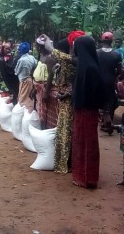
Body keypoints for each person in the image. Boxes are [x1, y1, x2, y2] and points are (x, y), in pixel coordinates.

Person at [46, 34, 105, 188]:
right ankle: (85, 176)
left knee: (85, 144)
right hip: (85, 110)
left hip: (85, 110)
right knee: (84, 142)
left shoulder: (88, 69)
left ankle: (86, 178)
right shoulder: (88, 66)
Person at [50, 37, 76, 174]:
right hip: (64, 102)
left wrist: (64, 94)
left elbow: (72, 84)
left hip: (68, 103)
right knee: (63, 131)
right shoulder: (62, 65)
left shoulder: (69, 64)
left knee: (67, 132)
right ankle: (65, 162)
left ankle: (66, 163)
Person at [97, 32, 121, 134]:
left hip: (98, 81)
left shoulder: (96, 52)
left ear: (102, 41)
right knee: (110, 101)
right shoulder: (116, 54)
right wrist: (113, 76)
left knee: (98, 101)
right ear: (112, 41)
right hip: (110, 81)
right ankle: (108, 123)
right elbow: (119, 70)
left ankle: (102, 122)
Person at [33, 36, 58, 129]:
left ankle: (47, 131)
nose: (36, 48)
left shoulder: (50, 58)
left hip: (47, 89)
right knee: (41, 112)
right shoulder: (41, 56)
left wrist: (46, 92)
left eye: (37, 46)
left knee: (48, 113)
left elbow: (51, 75)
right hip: (39, 87)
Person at [14, 42, 37, 111]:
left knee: (22, 99)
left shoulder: (21, 60)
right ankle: (28, 113)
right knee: (29, 98)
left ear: (20, 51)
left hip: (24, 81)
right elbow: (36, 65)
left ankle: (24, 113)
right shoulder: (32, 57)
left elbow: (16, 71)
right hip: (30, 79)